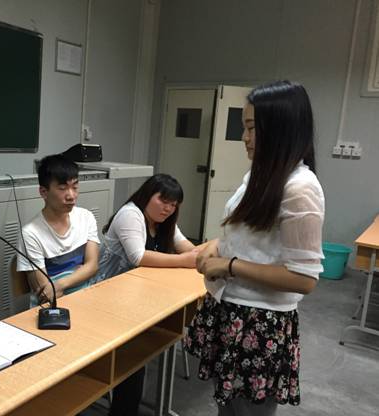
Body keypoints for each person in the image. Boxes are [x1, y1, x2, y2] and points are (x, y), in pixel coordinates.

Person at [185, 80, 325, 416]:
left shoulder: (300, 189)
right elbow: (251, 232)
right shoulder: (262, 174)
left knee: (247, 411)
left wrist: (229, 265)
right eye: (245, 127)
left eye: (252, 128)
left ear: (280, 130)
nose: (245, 138)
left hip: (260, 322)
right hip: (234, 312)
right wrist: (217, 245)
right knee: (229, 407)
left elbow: (304, 278)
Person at [92, 173, 199, 416]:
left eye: (173, 205)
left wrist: (199, 255)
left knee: (146, 348)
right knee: (133, 361)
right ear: (148, 195)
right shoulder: (131, 214)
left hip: (139, 296)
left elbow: (185, 245)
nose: (168, 209)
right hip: (107, 298)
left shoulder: (163, 220)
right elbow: (138, 257)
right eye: (163, 200)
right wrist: (185, 260)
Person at [17, 154, 99, 305]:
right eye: (62, 188)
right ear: (43, 192)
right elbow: (46, 293)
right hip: (52, 307)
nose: (71, 196)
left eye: (75, 187)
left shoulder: (86, 217)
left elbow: (93, 266)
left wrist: (59, 284)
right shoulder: (30, 233)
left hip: (86, 298)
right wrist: (80, 273)